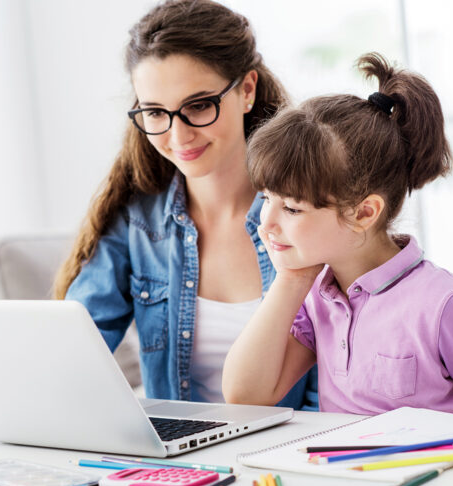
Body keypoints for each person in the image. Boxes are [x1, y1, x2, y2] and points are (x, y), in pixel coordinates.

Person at [222, 52, 453, 418]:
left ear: (364, 213)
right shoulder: (316, 297)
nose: (265, 222)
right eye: (266, 198)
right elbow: (245, 395)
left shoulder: (450, 309)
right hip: (343, 472)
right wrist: (290, 279)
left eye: (291, 208)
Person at [53, 0, 318, 408]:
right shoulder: (137, 222)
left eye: (198, 106)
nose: (178, 136)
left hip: (293, 455)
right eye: (156, 112)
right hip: (180, 465)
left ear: (246, 90)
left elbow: (340, 385)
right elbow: (69, 354)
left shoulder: (314, 212)